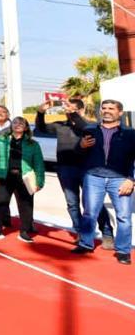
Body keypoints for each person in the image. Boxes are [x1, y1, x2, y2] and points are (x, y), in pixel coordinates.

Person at [36, 98, 113, 246]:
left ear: (81, 110)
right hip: (65, 168)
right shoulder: (60, 126)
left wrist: (74, 115)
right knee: (72, 203)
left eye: (73, 109)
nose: (69, 112)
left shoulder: (92, 125)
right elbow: (40, 128)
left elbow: (83, 127)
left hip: (88, 169)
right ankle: (81, 232)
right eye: (67, 109)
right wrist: (41, 112)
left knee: (93, 203)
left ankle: (107, 233)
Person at [72, 99, 135, 265]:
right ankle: (85, 244)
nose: (107, 111)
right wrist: (81, 146)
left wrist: (131, 179)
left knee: (124, 217)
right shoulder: (90, 129)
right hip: (93, 177)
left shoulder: (130, 133)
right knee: (89, 213)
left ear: (120, 113)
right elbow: (78, 153)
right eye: (104, 108)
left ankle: (123, 251)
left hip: (121, 179)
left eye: (111, 108)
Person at [0, 116, 44, 242]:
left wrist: (39, 182)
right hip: (5, 176)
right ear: (11, 126)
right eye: (15, 122)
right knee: (1, 203)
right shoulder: (0, 140)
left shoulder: (33, 144)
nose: (18, 125)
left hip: (24, 178)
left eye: (21, 123)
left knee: (26, 205)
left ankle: (24, 231)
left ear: (26, 127)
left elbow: (39, 164)